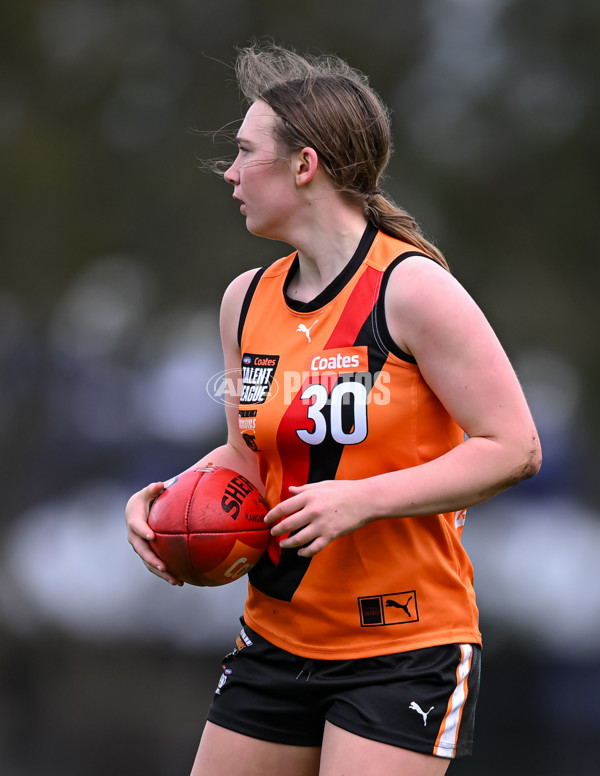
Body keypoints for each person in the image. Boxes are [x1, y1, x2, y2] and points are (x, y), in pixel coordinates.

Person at [125, 43, 541, 776]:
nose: (229, 173)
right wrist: (165, 499)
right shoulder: (244, 300)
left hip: (402, 648)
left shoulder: (411, 290)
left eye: (245, 152)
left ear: (304, 166)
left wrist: (363, 500)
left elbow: (513, 446)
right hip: (276, 636)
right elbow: (245, 455)